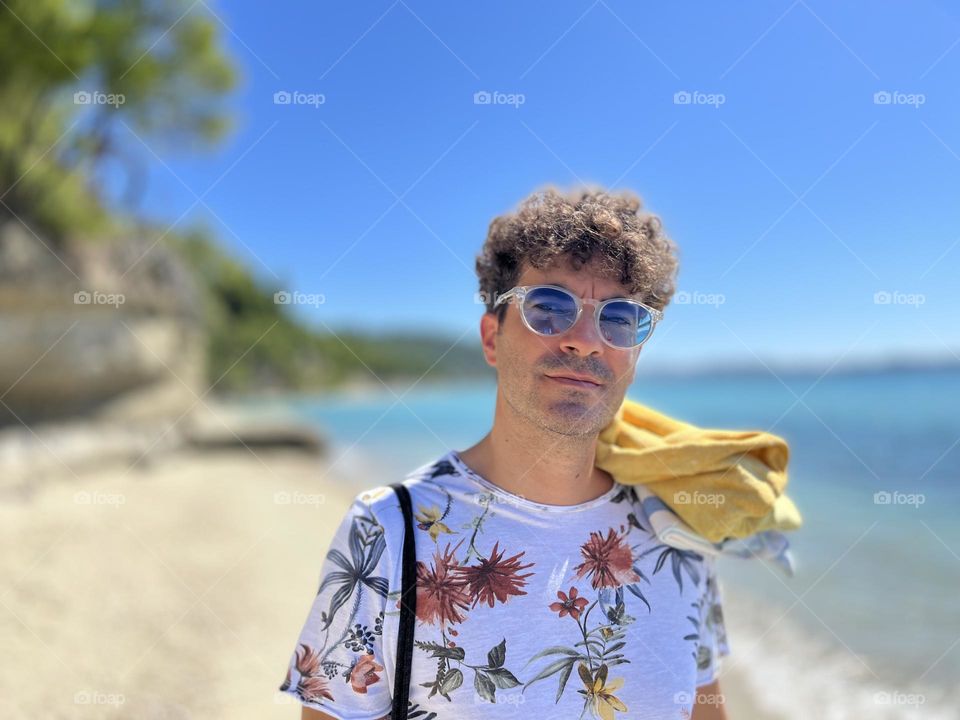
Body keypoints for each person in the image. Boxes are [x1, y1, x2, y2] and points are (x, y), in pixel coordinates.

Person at [279, 187, 730, 719]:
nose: (585, 340)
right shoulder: (387, 531)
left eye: (619, 319)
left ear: (636, 351)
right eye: (549, 308)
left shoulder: (677, 533)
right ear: (493, 338)